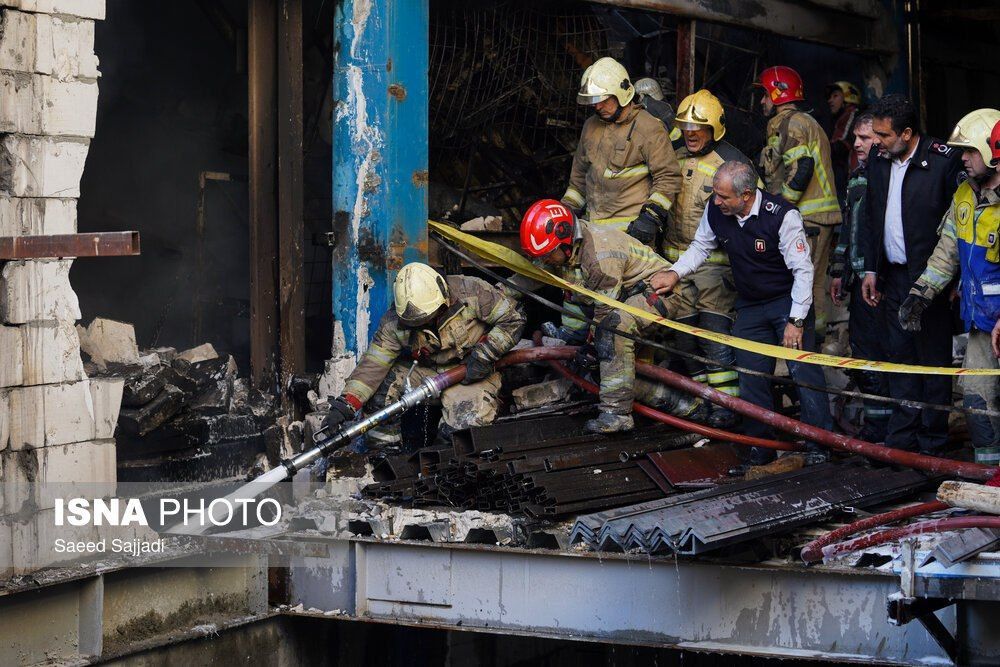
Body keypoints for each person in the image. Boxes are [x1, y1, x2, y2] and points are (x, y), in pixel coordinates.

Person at [656, 161, 834, 465]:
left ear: (747, 195)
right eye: (715, 194)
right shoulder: (717, 212)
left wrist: (796, 320)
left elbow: (804, 272)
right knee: (751, 377)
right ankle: (760, 448)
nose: (716, 201)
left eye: (723, 197)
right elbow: (700, 246)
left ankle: (819, 445)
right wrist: (675, 273)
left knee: (804, 373)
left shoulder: (782, 217)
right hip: (750, 305)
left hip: (787, 303)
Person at [513, 199, 705, 434]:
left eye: (546, 255)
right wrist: (503, 290)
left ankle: (616, 415)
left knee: (612, 332)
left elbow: (606, 314)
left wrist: (592, 347)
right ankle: (688, 408)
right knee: (606, 364)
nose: (543, 261)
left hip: (659, 291)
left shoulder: (599, 257)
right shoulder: (565, 249)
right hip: (626, 297)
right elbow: (532, 273)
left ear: (566, 242)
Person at [859, 94, 965, 453]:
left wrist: (957, 282)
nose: (876, 142)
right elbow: (872, 215)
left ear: (907, 133)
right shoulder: (879, 158)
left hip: (933, 282)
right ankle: (902, 440)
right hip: (893, 276)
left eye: (884, 136)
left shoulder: (943, 162)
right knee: (898, 356)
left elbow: (961, 227)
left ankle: (932, 442)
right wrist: (871, 268)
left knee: (932, 361)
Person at [322, 263, 525, 447]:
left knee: (464, 425)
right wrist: (346, 404)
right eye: (416, 325)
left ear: (443, 300)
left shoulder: (472, 292)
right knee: (381, 395)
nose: (424, 326)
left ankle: (447, 468)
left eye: (427, 320)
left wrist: (485, 355)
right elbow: (375, 363)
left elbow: (513, 320)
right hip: (428, 371)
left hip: (472, 372)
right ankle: (384, 458)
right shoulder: (394, 322)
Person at [900, 109, 1000, 464]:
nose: (964, 158)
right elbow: (946, 254)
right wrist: (920, 294)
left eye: (970, 151)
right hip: (981, 324)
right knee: (976, 400)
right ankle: (990, 479)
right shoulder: (963, 196)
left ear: (993, 151)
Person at [662, 89, 756, 428]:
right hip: (676, 266)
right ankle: (704, 400)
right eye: (685, 127)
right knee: (683, 337)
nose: (690, 134)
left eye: (697, 128)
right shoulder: (671, 156)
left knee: (713, 337)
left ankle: (726, 409)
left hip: (716, 268)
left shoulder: (732, 164)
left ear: (714, 129)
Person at [756, 66, 842, 340]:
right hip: (817, 218)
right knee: (814, 286)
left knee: (800, 285)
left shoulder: (790, 123)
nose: (762, 102)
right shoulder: (804, 122)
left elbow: (801, 167)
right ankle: (813, 349)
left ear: (778, 94)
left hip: (807, 219)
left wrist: (780, 211)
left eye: (765, 95)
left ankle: (801, 353)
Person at [561, 57, 681, 247]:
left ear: (622, 95)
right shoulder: (590, 127)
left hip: (632, 237)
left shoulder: (649, 127)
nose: (597, 106)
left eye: (603, 100)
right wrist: (565, 212)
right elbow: (578, 181)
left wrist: (649, 218)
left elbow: (668, 178)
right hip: (591, 234)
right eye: (594, 101)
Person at [828, 111, 892, 442]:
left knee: (884, 356)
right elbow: (846, 232)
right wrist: (839, 271)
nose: (857, 144)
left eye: (864, 138)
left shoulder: (890, 178)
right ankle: (876, 429)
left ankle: (885, 431)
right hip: (858, 284)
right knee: (865, 353)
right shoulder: (856, 177)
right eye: (855, 138)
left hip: (882, 285)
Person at [826, 81, 863, 200]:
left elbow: (842, 145)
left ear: (848, 98)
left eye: (835, 96)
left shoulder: (852, 114)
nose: (830, 100)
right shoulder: (839, 119)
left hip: (854, 178)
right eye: (830, 97)